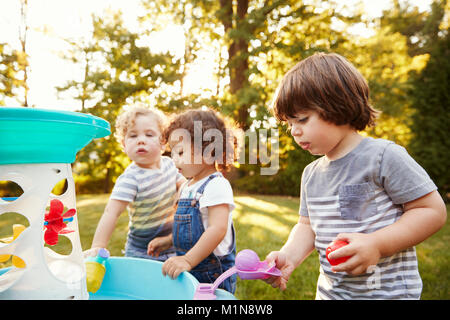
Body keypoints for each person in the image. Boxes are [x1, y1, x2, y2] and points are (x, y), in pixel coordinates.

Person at [264, 52, 447, 299]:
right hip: (332, 294)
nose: (294, 131)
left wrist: (378, 244)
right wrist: (289, 256)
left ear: (336, 105)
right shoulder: (311, 175)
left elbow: (431, 211)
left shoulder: (383, 157)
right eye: (289, 123)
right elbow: (307, 227)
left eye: (302, 119)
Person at [147, 108, 239, 293]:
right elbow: (191, 232)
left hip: (212, 275)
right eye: (172, 153)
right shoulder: (187, 187)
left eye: (180, 152)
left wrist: (188, 259)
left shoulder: (216, 185)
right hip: (189, 271)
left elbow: (217, 229)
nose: (174, 159)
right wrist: (169, 241)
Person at [84, 104, 186, 262]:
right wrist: (98, 245)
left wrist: (182, 192)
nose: (141, 141)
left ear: (163, 142)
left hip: (172, 244)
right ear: (124, 145)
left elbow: (183, 183)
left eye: (149, 134)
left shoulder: (170, 164)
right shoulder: (131, 178)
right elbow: (111, 212)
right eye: (133, 136)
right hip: (141, 250)